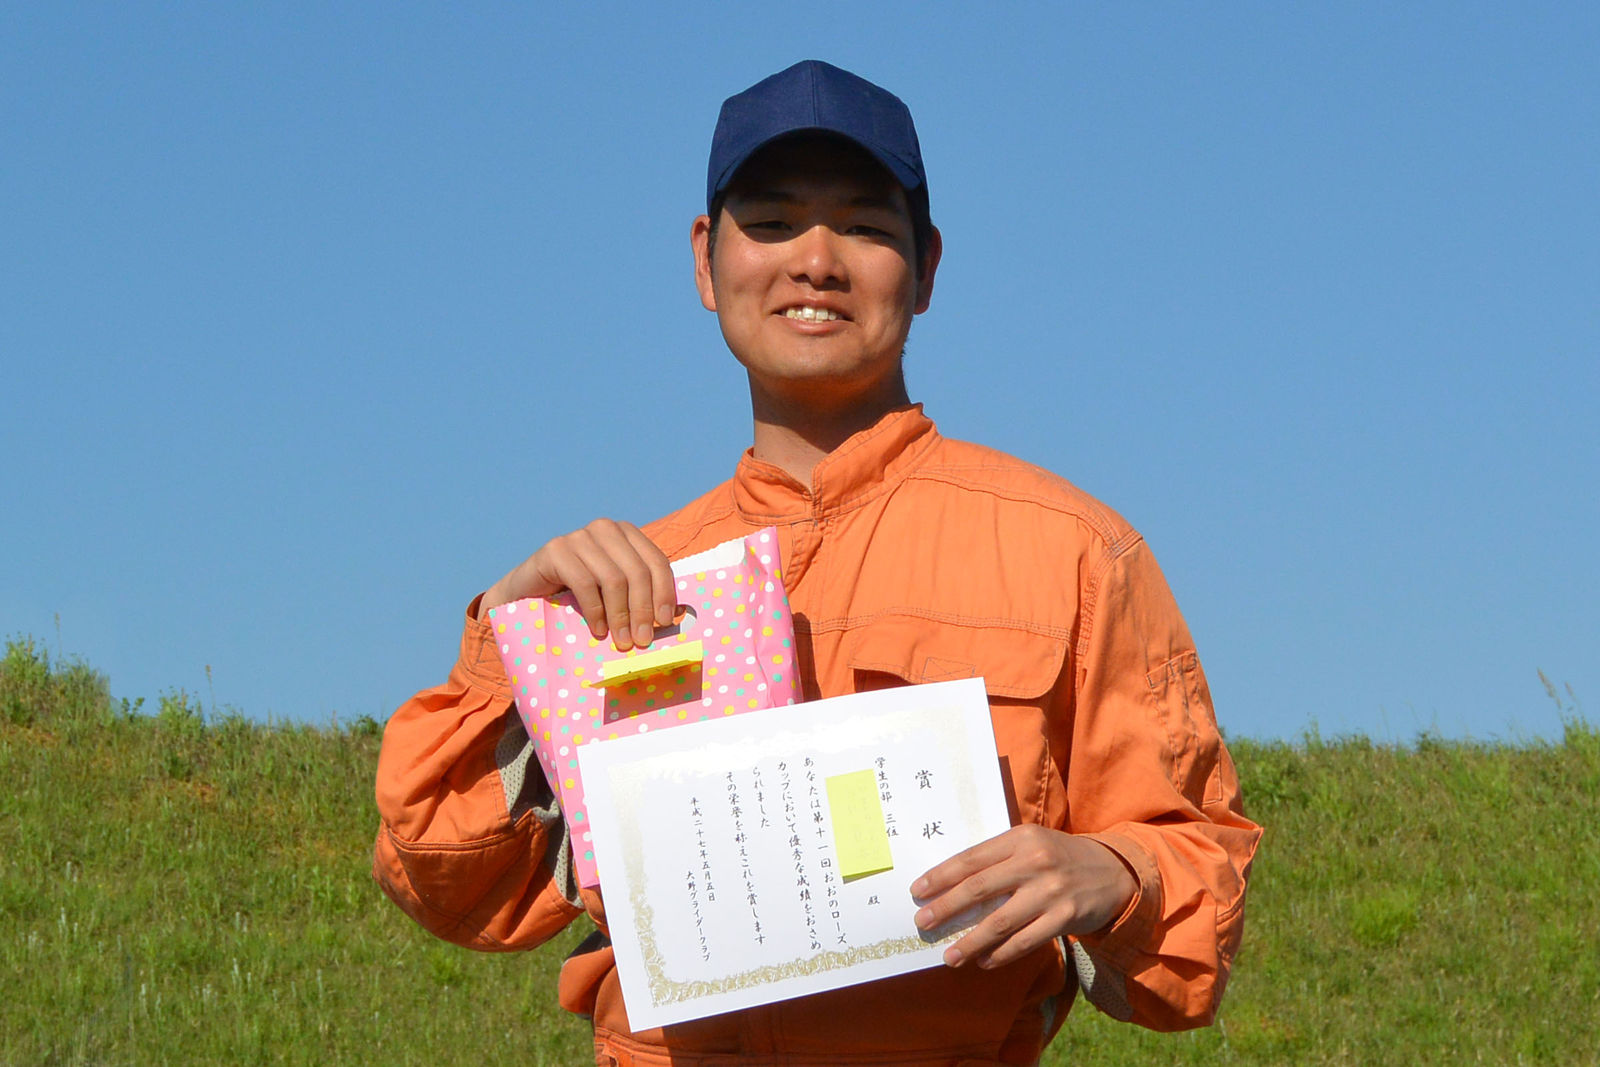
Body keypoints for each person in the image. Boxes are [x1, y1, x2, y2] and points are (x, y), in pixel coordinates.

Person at [373, 60, 1260, 1066]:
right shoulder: (621, 589)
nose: (816, 261)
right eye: (773, 221)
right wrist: (511, 634)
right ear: (705, 261)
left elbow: (1197, 911)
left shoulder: (1073, 552)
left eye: (865, 226)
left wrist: (1115, 873)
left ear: (926, 265)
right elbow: (450, 884)